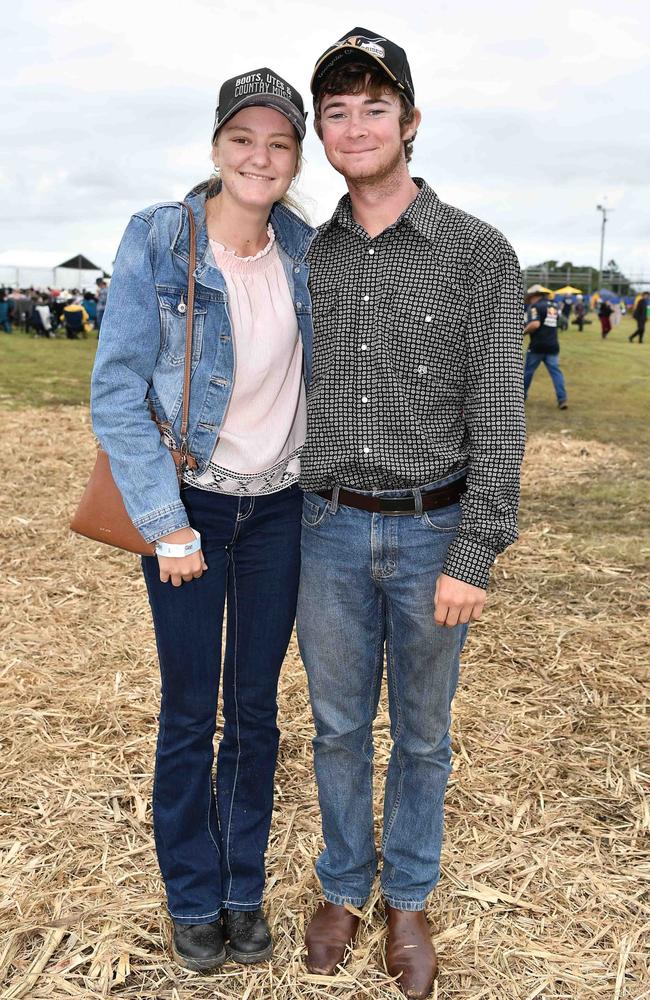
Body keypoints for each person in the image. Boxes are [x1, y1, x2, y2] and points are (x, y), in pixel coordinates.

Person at [296, 29, 525, 999]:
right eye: (335, 110)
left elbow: (500, 420)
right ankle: (344, 885)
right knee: (338, 724)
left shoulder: (477, 252)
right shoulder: (308, 254)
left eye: (373, 106)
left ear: (410, 122)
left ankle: (408, 898)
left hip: (433, 526)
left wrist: (473, 549)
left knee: (421, 732)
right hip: (326, 528)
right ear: (320, 131)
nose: (354, 125)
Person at [91, 69, 315, 974]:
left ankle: (241, 890)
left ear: (295, 157)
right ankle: (192, 897)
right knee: (191, 714)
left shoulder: (308, 246)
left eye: (278, 142)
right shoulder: (160, 238)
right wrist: (164, 524)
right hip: (190, 509)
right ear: (216, 146)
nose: (259, 157)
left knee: (255, 713)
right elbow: (116, 392)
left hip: (280, 513)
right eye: (243, 139)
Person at [523, 285, 568, 408]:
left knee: (528, 371)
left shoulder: (535, 307)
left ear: (533, 296)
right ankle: (562, 399)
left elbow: (535, 324)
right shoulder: (553, 305)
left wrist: (522, 333)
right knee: (556, 373)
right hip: (553, 345)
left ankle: (521, 396)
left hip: (537, 346)